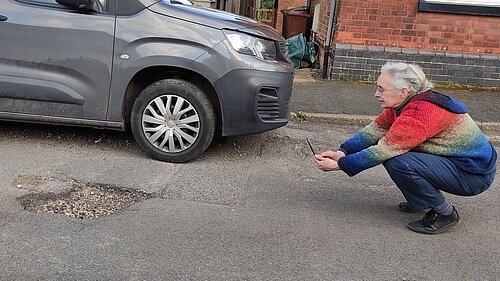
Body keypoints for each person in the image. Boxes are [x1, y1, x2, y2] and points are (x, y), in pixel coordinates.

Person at [313, 62, 497, 234]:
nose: (376, 94)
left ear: (403, 91)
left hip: (473, 175)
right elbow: (375, 130)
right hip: (458, 164)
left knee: (397, 160)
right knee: (398, 153)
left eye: (381, 89)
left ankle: (445, 213)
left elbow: (383, 150)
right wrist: (342, 152)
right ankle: (422, 200)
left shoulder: (420, 113)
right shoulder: (406, 102)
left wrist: (341, 165)